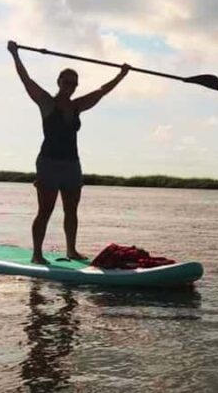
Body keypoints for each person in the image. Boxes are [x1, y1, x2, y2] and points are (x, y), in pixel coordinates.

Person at [8, 41, 130, 264]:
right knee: (45, 210)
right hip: (49, 163)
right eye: (66, 82)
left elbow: (102, 91)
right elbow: (26, 80)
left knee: (71, 211)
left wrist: (121, 75)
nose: (70, 87)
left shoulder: (76, 106)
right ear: (59, 82)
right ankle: (37, 254)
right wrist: (15, 54)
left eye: (74, 84)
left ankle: (71, 250)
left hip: (72, 164)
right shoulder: (47, 102)